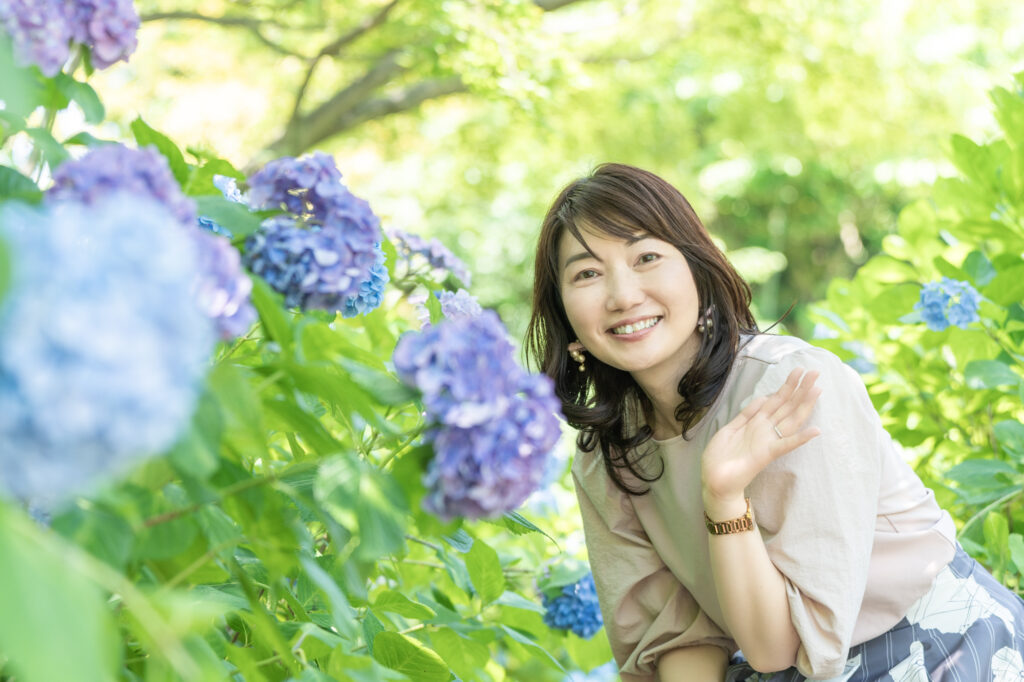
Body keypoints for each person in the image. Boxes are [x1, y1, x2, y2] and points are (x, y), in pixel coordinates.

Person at [525, 163, 1024, 681]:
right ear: (564, 313)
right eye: (587, 273)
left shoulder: (788, 385)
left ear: (698, 269)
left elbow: (776, 646)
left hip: (941, 649)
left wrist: (723, 497)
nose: (623, 295)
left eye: (646, 257)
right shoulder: (609, 454)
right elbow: (677, 639)